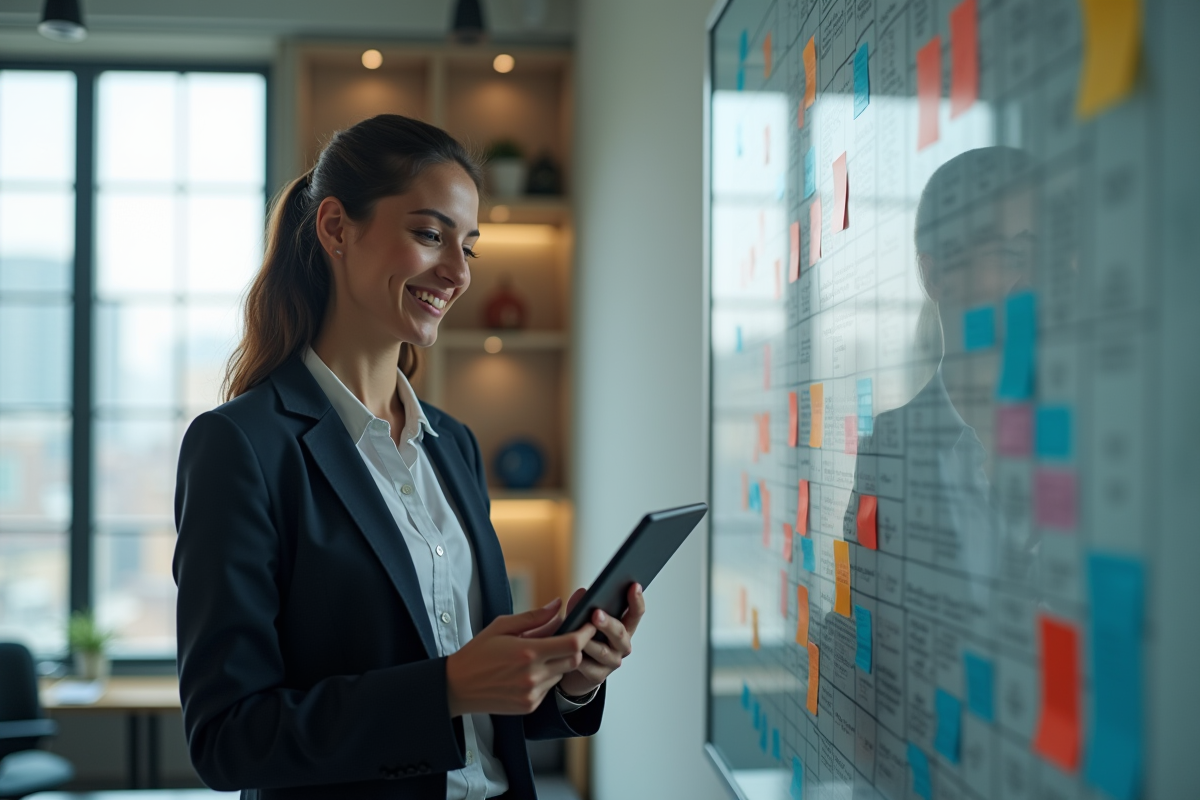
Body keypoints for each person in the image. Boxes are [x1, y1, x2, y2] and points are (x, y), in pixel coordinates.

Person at [172, 114, 645, 800]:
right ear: (336, 228)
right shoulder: (241, 447)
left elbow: (484, 710)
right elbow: (228, 741)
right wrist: (446, 686)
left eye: (468, 246)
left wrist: (570, 680)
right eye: (429, 235)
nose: (456, 272)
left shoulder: (452, 444)